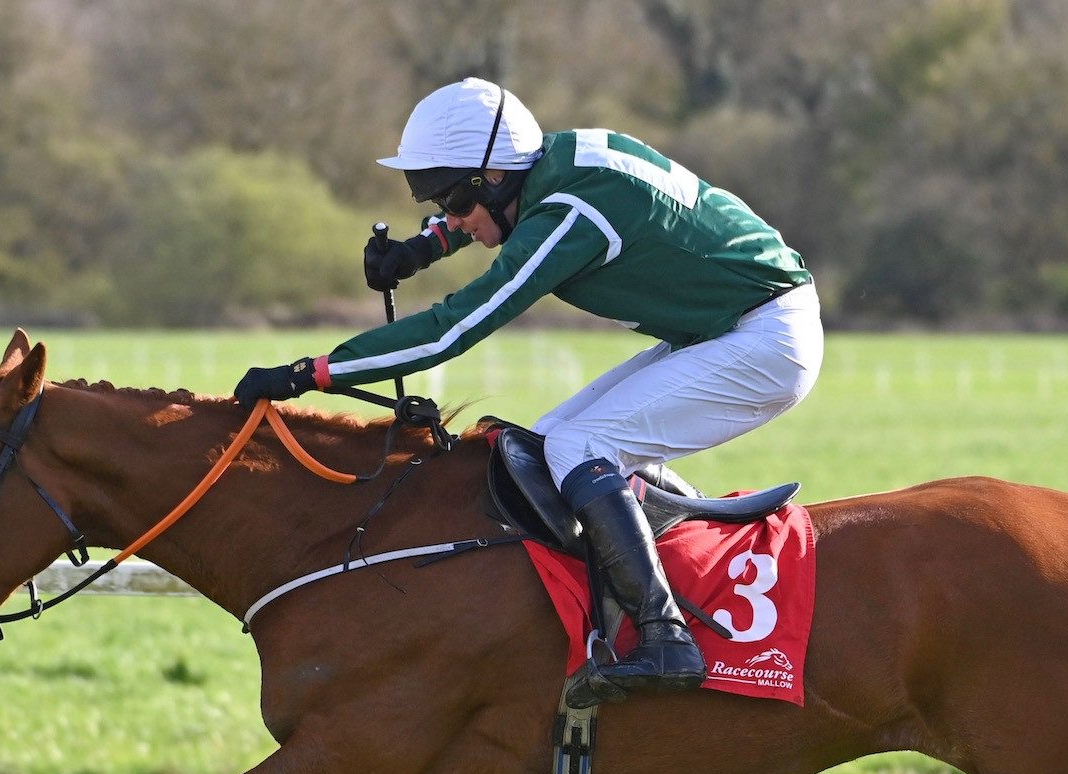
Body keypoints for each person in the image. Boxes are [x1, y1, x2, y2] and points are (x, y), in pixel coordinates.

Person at [234, 78, 822, 707]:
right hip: (724, 328)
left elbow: (451, 330)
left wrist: (312, 373)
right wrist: (421, 248)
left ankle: (666, 635)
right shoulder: (552, 166)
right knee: (546, 447)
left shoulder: (572, 214)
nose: (449, 215)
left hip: (765, 342)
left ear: (492, 174)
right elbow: (500, 212)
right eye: (433, 200)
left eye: (451, 199)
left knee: (578, 445)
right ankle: (648, 595)